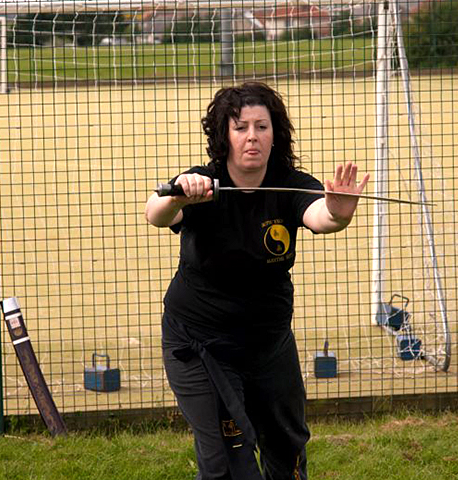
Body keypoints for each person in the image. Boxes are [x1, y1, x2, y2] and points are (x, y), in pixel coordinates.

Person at [145, 82, 369, 480]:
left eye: (262, 127)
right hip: (200, 344)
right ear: (224, 136)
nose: (252, 137)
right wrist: (180, 194)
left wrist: (340, 211)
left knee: (287, 447)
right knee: (228, 462)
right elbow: (156, 214)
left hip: (268, 343)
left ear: (275, 133)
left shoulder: (290, 184)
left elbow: (322, 216)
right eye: (241, 127)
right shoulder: (204, 184)